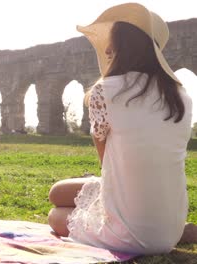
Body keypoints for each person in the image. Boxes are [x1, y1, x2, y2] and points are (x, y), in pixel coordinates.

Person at [47, 3, 196, 255]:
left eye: (112, 40)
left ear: (121, 46)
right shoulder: (181, 95)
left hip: (129, 234)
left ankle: (135, 228)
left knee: (55, 209)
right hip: (169, 227)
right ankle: (180, 229)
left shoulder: (104, 91)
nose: (106, 48)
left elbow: (106, 164)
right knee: (62, 192)